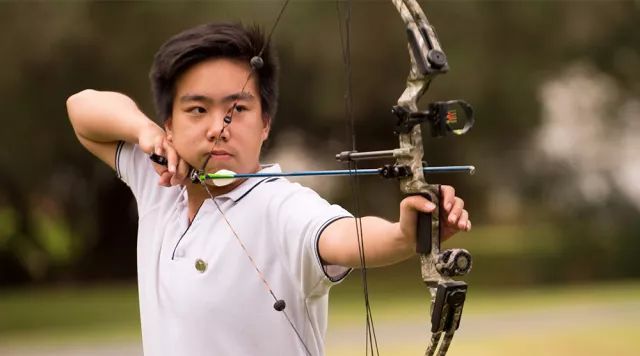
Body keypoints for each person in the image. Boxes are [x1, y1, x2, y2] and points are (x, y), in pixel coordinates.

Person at [66, 22, 471, 356]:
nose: (216, 128)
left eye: (237, 109)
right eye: (197, 109)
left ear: (265, 124)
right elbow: (81, 108)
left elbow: (343, 236)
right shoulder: (159, 180)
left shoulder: (282, 207)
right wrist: (143, 132)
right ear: (169, 124)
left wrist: (405, 234)